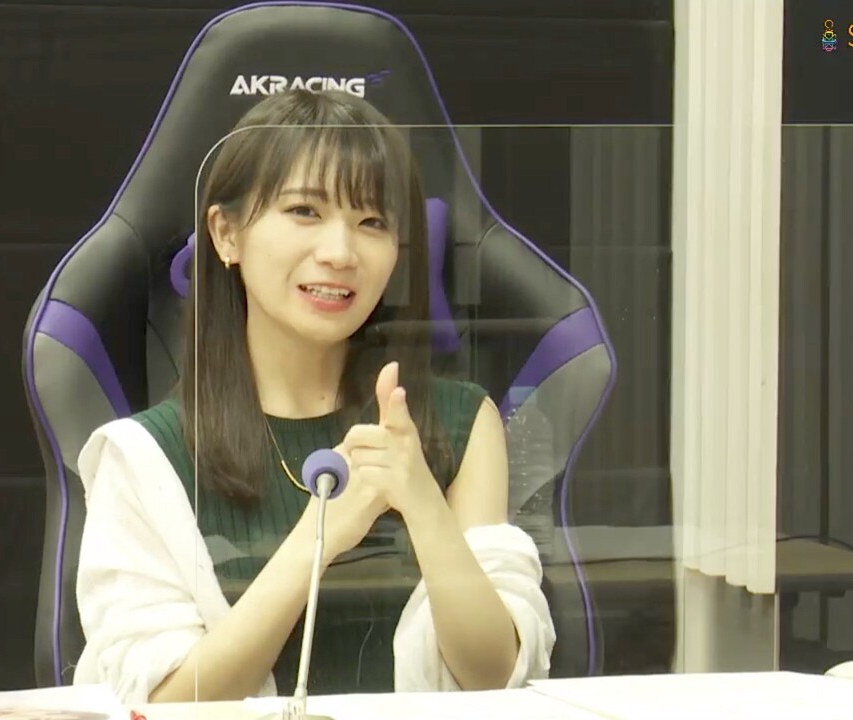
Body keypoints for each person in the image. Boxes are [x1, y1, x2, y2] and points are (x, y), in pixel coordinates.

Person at [70, 88, 554, 705]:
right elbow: (162, 704)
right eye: (304, 210)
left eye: (372, 222)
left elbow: (496, 677)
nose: (340, 253)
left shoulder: (460, 422)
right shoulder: (143, 457)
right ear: (226, 234)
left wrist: (424, 504)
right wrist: (321, 537)